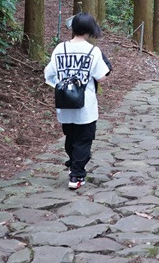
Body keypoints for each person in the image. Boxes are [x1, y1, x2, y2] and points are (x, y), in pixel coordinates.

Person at [43, 12, 110, 190]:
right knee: (84, 139)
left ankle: (73, 164)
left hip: (64, 104)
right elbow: (101, 77)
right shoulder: (93, 51)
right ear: (90, 30)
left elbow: (49, 74)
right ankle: (76, 175)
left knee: (71, 137)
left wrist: (64, 84)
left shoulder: (59, 49)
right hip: (85, 104)